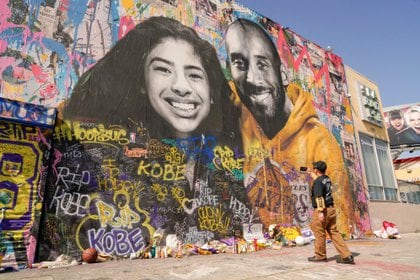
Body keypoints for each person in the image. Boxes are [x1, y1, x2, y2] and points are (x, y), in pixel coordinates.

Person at [225, 18, 352, 233]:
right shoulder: (234, 101)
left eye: (262, 64)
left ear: (282, 73)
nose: (252, 79)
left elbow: (335, 209)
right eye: (239, 64)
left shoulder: (319, 143)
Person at [64, 16, 238, 140]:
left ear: (211, 92)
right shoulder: (110, 152)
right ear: (142, 82)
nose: (182, 86)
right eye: (164, 69)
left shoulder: (225, 163)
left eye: (194, 75)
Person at [308, 161, 355, 264]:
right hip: (331, 209)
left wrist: (320, 211)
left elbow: (319, 196)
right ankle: (346, 255)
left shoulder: (318, 182)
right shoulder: (326, 179)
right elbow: (321, 182)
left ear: (316, 170)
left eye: (314, 168)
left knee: (319, 232)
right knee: (334, 232)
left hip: (323, 209)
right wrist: (313, 176)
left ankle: (320, 256)